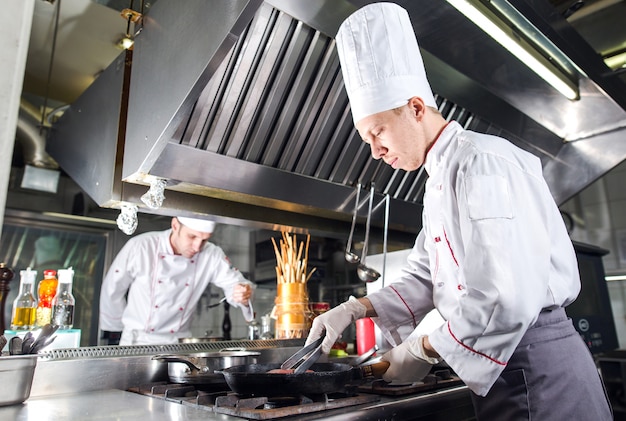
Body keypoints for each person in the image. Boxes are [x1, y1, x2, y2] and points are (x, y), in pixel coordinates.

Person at [306, 3, 612, 420]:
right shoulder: (440, 180)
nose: (375, 151)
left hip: (536, 368)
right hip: (506, 369)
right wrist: (356, 308)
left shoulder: (480, 164)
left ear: (416, 108)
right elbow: (425, 277)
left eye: (377, 132)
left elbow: (504, 297)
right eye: (367, 139)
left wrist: (422, 349)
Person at [99, 216, 255, 345]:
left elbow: (236, 284)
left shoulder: (212, 254)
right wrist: (115, 329)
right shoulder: (142, 246)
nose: (197, 247)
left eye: (204, 240)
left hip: (179, 343)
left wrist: (241, 292)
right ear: (175, 225)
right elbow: (112, 289)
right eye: (192, 236)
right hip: (136, 341)